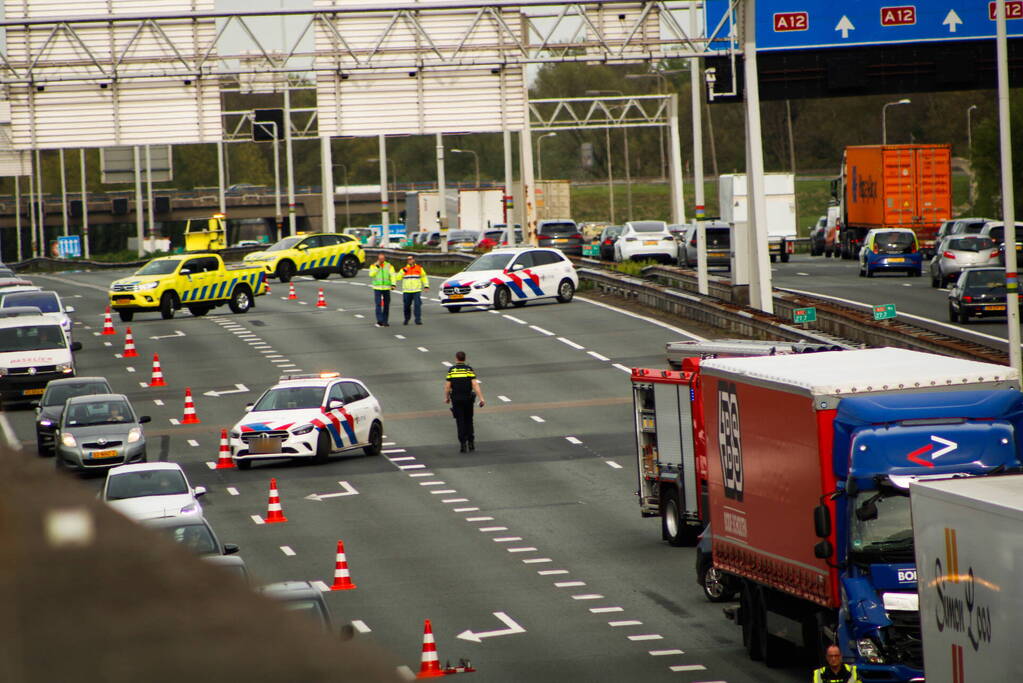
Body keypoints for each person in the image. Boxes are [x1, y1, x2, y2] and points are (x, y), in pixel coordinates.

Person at [444, 351, 485, 453]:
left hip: (456, 399)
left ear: (456, 358)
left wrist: (447, 397)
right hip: (468, 399)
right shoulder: (468, 370)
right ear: (464, 359)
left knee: (460, 421)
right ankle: (471, 442)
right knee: (469, 420)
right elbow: (475, 384)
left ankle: (463, 444)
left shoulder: (452, 370)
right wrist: (481, 398)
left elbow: (447, 386)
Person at [398, 255, 429, 325]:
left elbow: (424, 277)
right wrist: (403, 271)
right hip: (407, 291)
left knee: (417, 305)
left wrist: (426, 286)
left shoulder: (419, 268)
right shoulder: (404, 269)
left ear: (414, 260)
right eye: (408, 259)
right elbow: (398, 277)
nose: (409, 260)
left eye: (410, 259)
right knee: (406, 306)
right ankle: (406, 319)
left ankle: (418, 319)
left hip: (416, 290)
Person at [368, 253, 396, 327]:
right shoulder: (373, 265)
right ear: (378, 259)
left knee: (386, 305)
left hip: (386, 288)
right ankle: (380, 320)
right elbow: (371, 274)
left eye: (382, 259)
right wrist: (377, 267)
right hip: (377, 288)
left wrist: (393, 284)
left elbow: (393, 275)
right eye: (380, 259)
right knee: (378, 304)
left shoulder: (389, 266)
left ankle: (385, 321)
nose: (381, 260)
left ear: (384, 259)